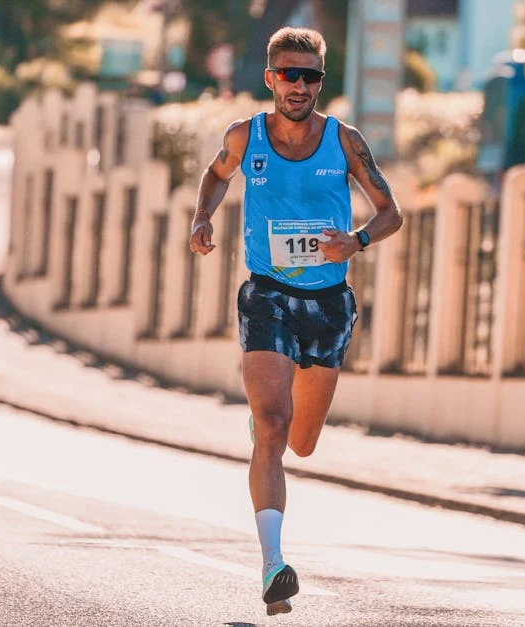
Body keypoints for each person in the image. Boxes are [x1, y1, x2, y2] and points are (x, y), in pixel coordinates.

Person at [189, 27, 403, 616]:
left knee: (302, 442)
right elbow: (213, 175)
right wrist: (201, 219)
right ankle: (272, 565)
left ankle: (269, 433)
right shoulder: (245, 136)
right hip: (268, 294)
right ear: (270, 78)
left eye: (310, 76)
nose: (300, 86)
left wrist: (355, 242)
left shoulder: (345, 141)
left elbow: (392, 214)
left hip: (329, 303)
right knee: (274, 427)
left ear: (319, 83)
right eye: (289, 74)